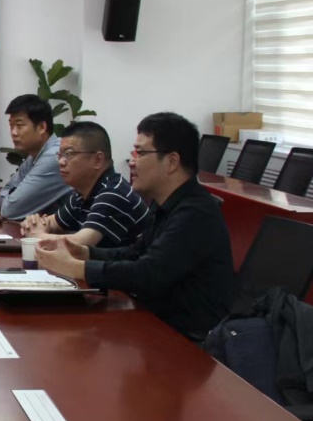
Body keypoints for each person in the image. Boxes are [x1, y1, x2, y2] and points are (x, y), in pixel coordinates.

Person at [37, 112, 235, 340]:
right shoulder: (165, 204)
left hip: (186, 340)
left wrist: (77, 268)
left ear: (172, 161)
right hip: (153, 323)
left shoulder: (196, 213)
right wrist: (86, 253)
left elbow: (147, 274)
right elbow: (135, 253)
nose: (132, 161)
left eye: (140, 153)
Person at [21, 120, 149, 248]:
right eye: (60, 155)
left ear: (98, 160)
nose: (61, 162)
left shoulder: (114, 193)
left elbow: (81, 243)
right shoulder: (82, 193)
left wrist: (37, 236)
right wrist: (33, 223)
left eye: (69, 154)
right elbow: (51, 223)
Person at [0, 94, 71, 220]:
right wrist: (12, 196)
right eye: (11, 126)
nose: (13, 132)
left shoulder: (54, 156)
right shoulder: (34, 155)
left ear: (42, 127)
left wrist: (13, 197)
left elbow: (10, 210)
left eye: (19, 126)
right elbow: (3, 195)